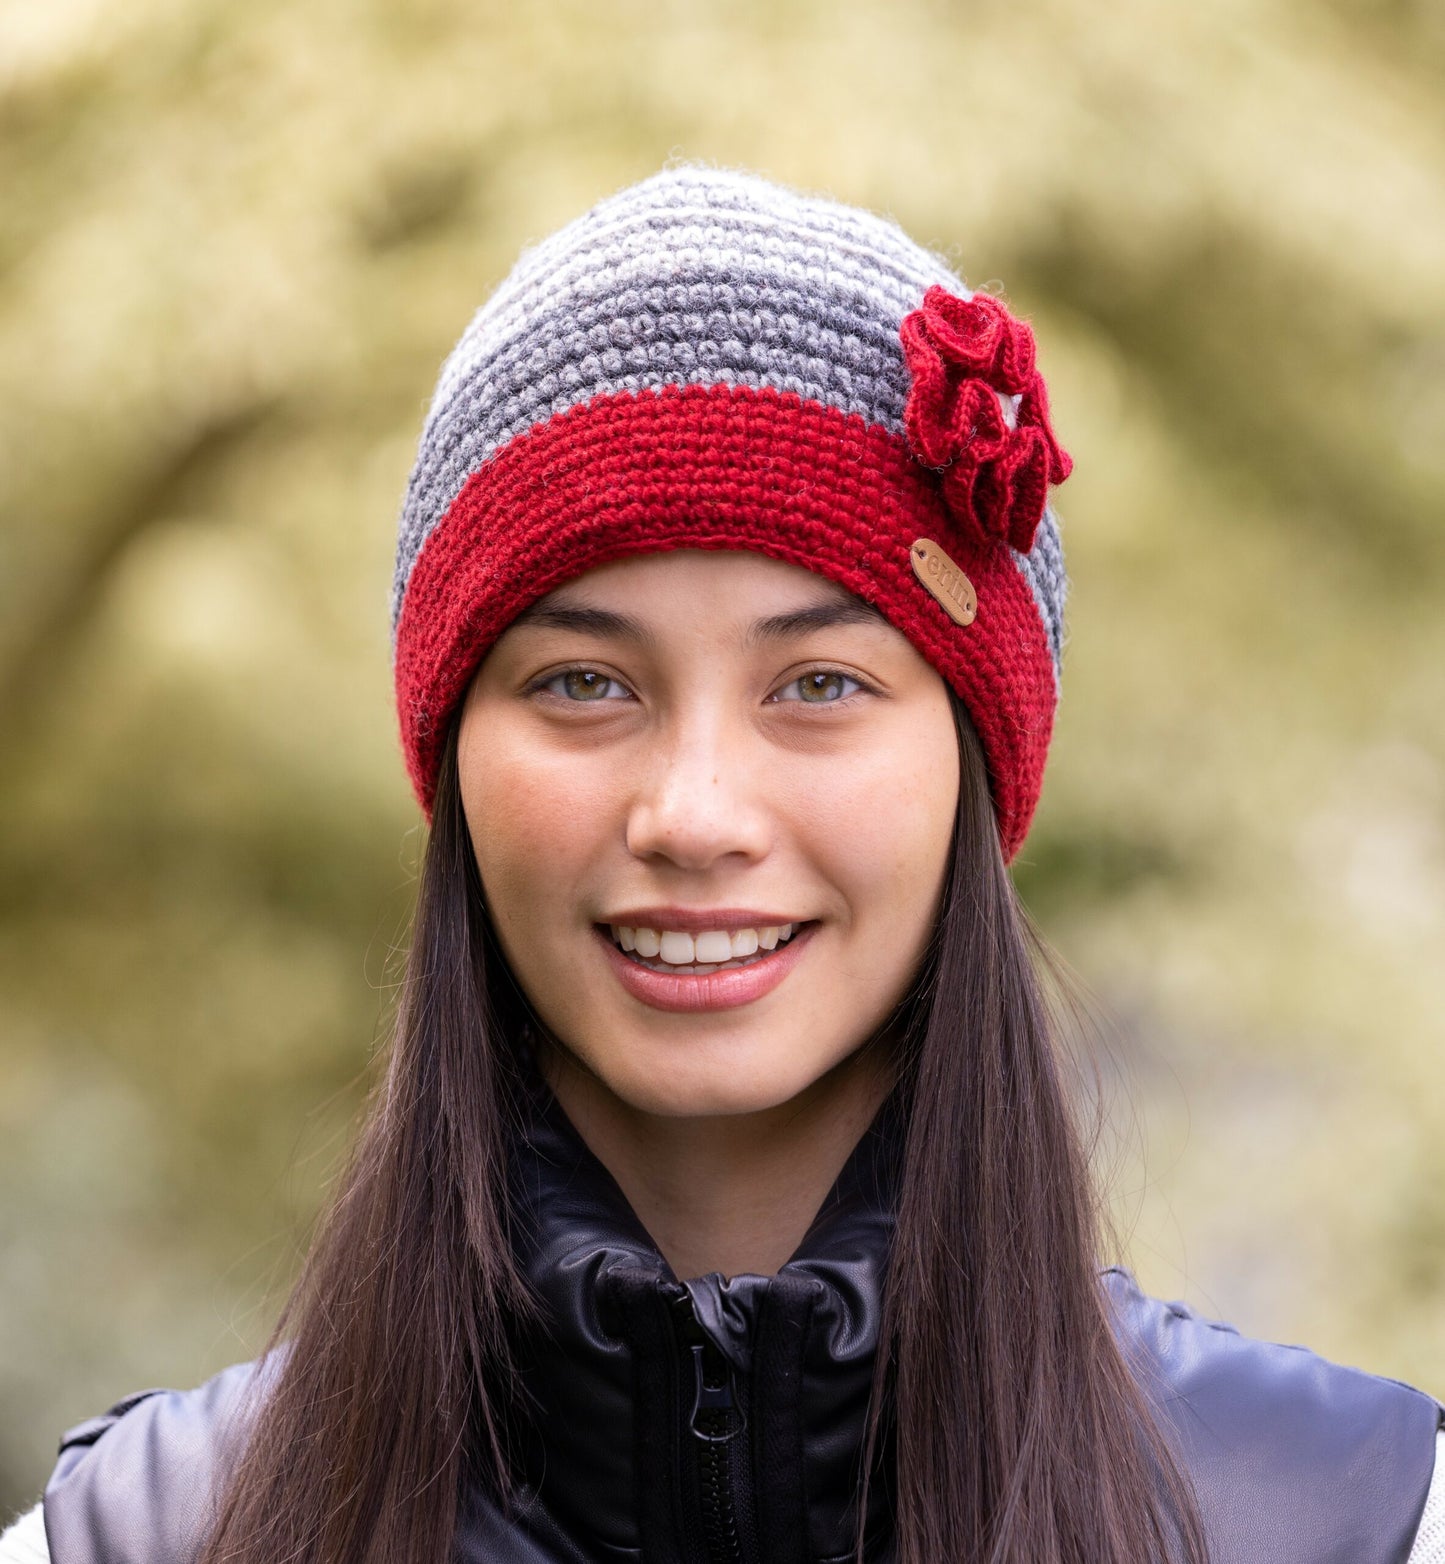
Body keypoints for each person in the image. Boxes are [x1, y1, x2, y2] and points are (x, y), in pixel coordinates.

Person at [3, 166, 1441, 1564]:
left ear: (973, 764)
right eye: (581, 683)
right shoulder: (148, 1537)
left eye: (817, 685)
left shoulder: (1352, 1518)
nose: (693, 814)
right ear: (452, 767)